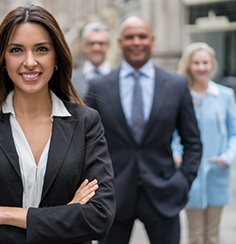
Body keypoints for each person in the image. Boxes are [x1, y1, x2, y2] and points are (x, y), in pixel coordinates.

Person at [0, 5, 115, 244]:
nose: (30, 61)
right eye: (16, 50)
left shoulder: (86, 122)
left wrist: (1, 214)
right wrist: (67, 215)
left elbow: (99, 218)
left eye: (41, 49)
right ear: (2, 59)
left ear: (56, 56)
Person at [86, 16, 202, 244]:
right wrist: (96, 187)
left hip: (164, 194)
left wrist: (183, 181)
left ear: (152, 40)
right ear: (119, 43)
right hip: (114, 196)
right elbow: (87, 143)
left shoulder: (177, 85)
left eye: (142, 36)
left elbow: (193, 142)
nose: (136, 42)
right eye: (129, 37)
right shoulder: (99, 87)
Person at [173, 42, 236, 244]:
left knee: (212, 236)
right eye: (196, 63)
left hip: (217, 171)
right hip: (189, 173)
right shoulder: (181, 95)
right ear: (188, 65)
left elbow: (235, 134)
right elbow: (171, 133)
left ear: (212, 65)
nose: (201, 67)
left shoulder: (225, 95)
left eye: (205, 62)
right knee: (194, 236)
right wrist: (176, 154)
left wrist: (226, 158)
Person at [72, 21, 112, 98]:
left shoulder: (120, 79)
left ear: (109, 45)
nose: (96, 48)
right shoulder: (70, 80)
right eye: (91, 43)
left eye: (101, 43)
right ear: (83, 45)